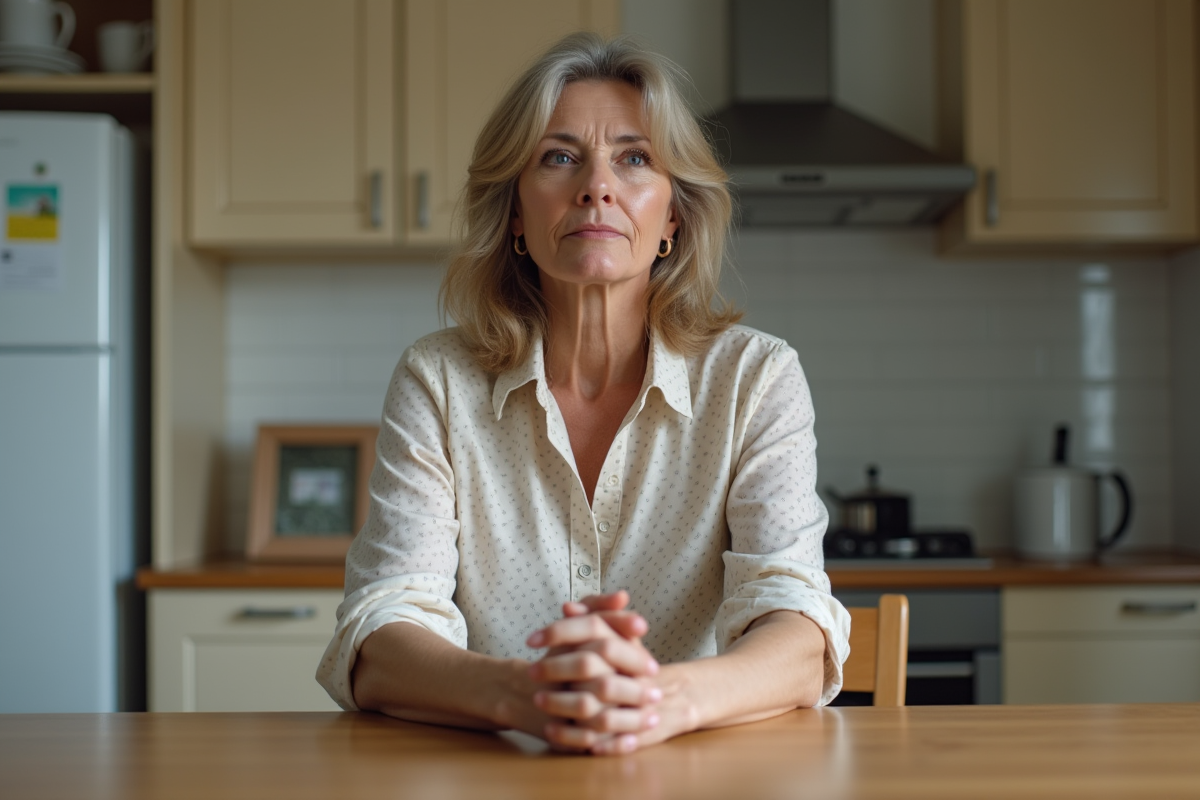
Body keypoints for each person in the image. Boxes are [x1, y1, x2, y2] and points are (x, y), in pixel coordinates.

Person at [316, 32, 850, 755]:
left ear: (672, 217)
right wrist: (525, 695)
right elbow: (380, 631)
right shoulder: (437, 381)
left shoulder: (756, 379)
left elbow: (795, 622)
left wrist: (659, 701)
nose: (596, 185)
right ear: (513, 212)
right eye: (559, 157)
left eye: (634, 158)